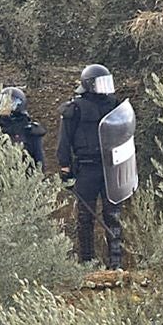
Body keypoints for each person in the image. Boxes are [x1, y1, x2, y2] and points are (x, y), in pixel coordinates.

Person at [58, 64, 126, 268]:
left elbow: (124, 134)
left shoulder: (114, 105)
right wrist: (65, 167)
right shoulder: (75, 108)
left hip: (110, 167)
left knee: (113, 214)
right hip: (86, 168)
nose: (105, 87)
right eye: (100, 82)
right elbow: (65, 141)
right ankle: (86, 262)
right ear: (89, 85)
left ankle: (116, 263)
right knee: (85, 217)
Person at [0, 86, 45, 169]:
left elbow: (39, 160)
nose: (2, 107)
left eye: (6, 103)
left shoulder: (29, 130)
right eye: (1, 102)